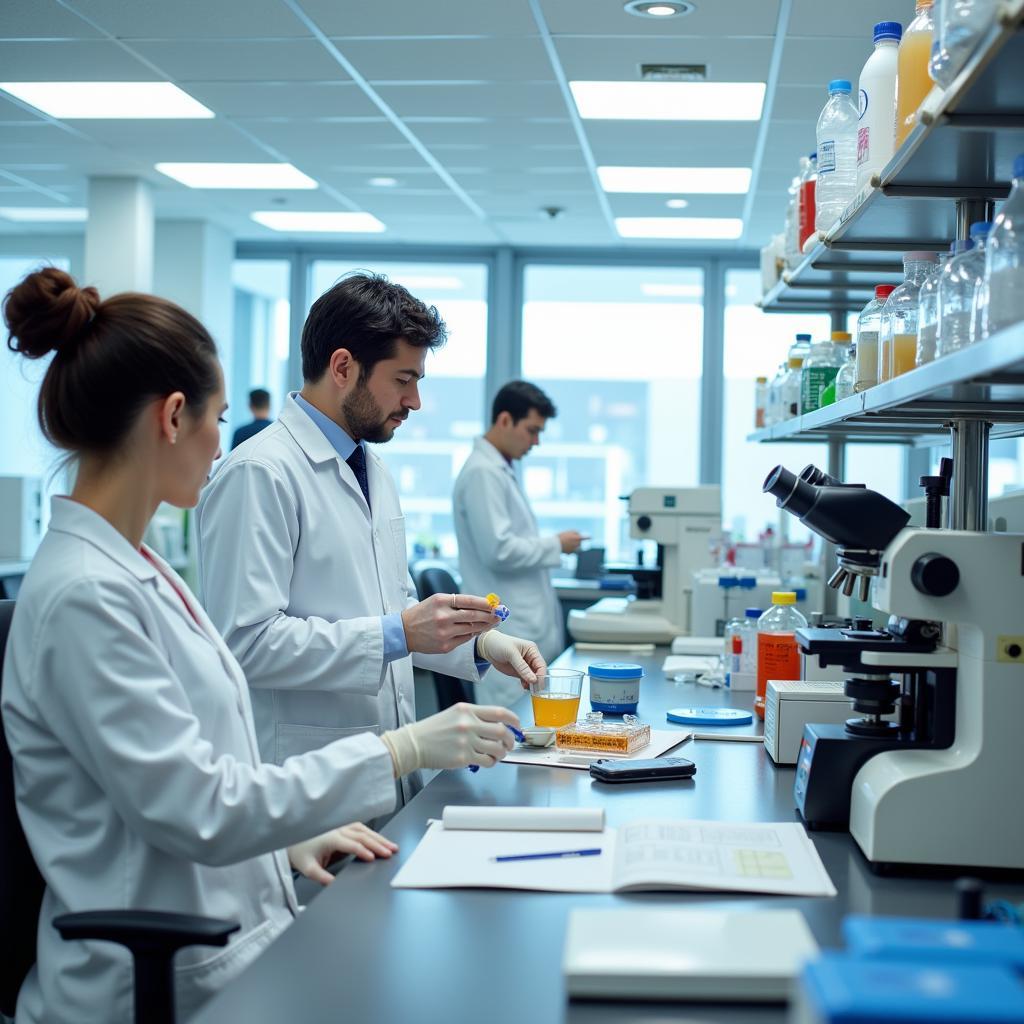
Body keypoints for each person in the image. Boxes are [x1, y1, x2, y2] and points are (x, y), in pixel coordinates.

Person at [1, 268, 520, 1023]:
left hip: (240, 897)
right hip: (167, 970)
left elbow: (173, 785)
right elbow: (201, 801)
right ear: (173, 417)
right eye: (216, 419)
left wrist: (278, 849)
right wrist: (399, 751)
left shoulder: (129, 567)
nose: (223, 445)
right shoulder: (89, 592)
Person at [196, 273, 544, 804]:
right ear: (343, 367)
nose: (416, 400)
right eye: (404, 379)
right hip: (307, 782)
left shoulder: (370, 467)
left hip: (380, 771)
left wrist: (477, 642)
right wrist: (397, 633)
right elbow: (245, 644)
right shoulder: (260, 473)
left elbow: (393, 607)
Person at [453, 380, 587, 706]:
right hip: (508, 634)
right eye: (531, 430)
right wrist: (555, 544)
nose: (536, 441)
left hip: (523, 631)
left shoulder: (499, 470)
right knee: (511, 741)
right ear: (504, 421)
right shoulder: (482, 473)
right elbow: (499, 550)